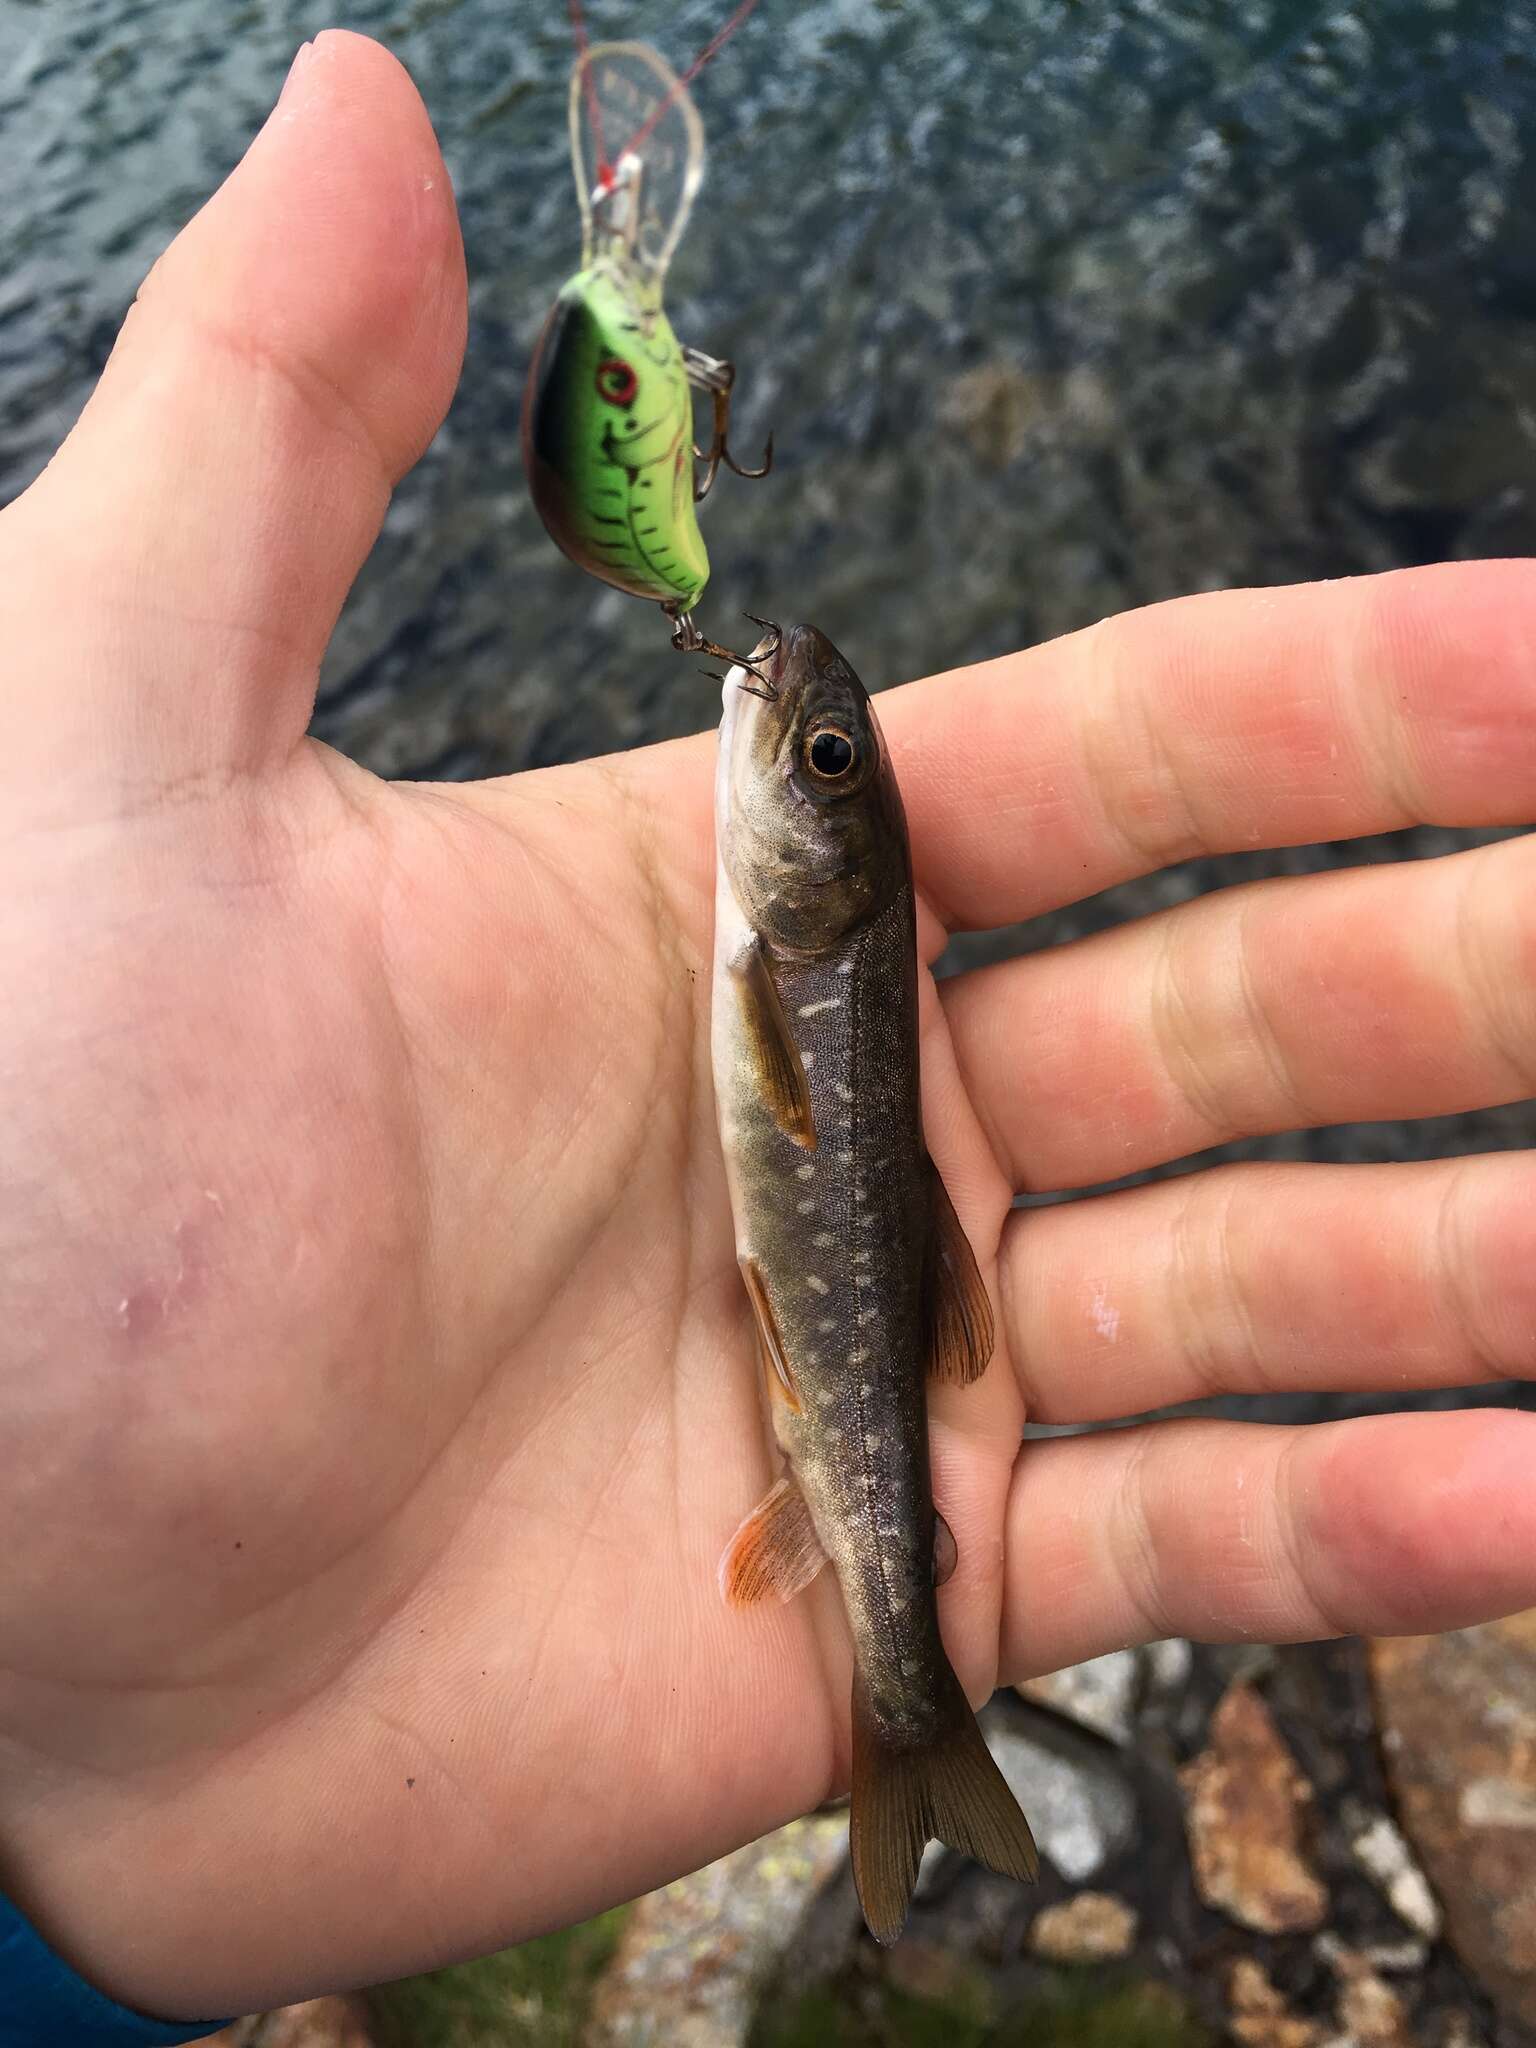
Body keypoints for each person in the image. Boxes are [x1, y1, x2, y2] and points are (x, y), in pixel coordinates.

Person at [1, 28, 1532, 2043]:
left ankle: (912, 1715)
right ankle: (913, 1725)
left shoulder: (783, 946)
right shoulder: (784, 939)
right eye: (829, 750)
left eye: (814, 756)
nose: (798, 728)